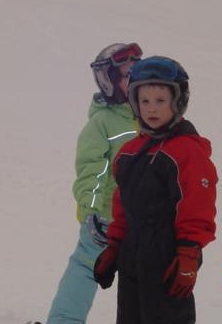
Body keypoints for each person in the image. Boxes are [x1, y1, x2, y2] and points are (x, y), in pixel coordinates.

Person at [93, 56, 218, 324]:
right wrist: (115, 245)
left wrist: (189, 252)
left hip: (168, 261)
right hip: (132, 258)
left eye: (160, 100)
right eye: (144, 101)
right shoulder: (129, 153)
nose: (152, 108)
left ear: (178, 101)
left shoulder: (187, 152)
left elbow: (197, 206)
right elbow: (123, 205)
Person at [46, 42, 143, 324]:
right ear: (109, 82)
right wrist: (91, 213)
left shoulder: (149, 118)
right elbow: (91, 171)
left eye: (137, 74)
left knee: (143, 280)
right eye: (126, 76)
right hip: (105, 220)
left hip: (142, 221)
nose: (134, 81)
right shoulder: (101, 123)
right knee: (85, 270)